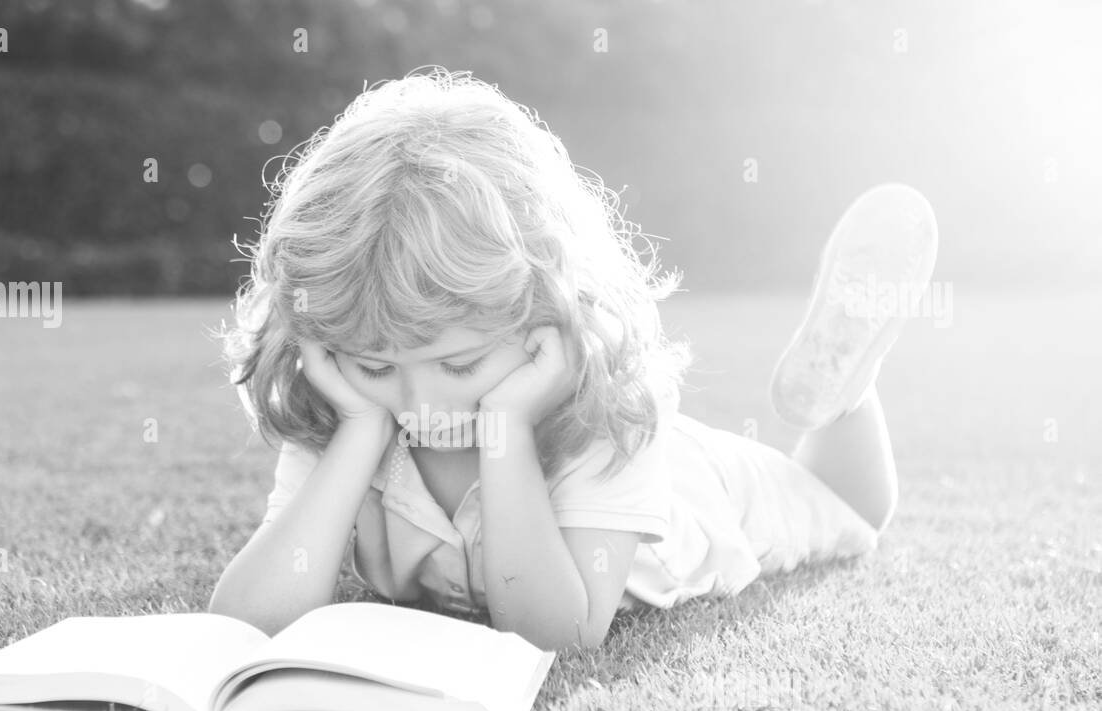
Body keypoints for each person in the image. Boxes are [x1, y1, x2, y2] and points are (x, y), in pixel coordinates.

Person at [207, 67, 939, 652]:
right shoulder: (350, 408)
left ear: (547, 312)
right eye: (376, 367)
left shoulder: (612, 418)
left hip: (710, 492)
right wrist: (360, 433)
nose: (419, 406)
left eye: (457, 366)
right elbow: (245, 622)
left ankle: (848, 386)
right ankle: (845, 385)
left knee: (849, 508)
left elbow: (557, 633)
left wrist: (506, 429)